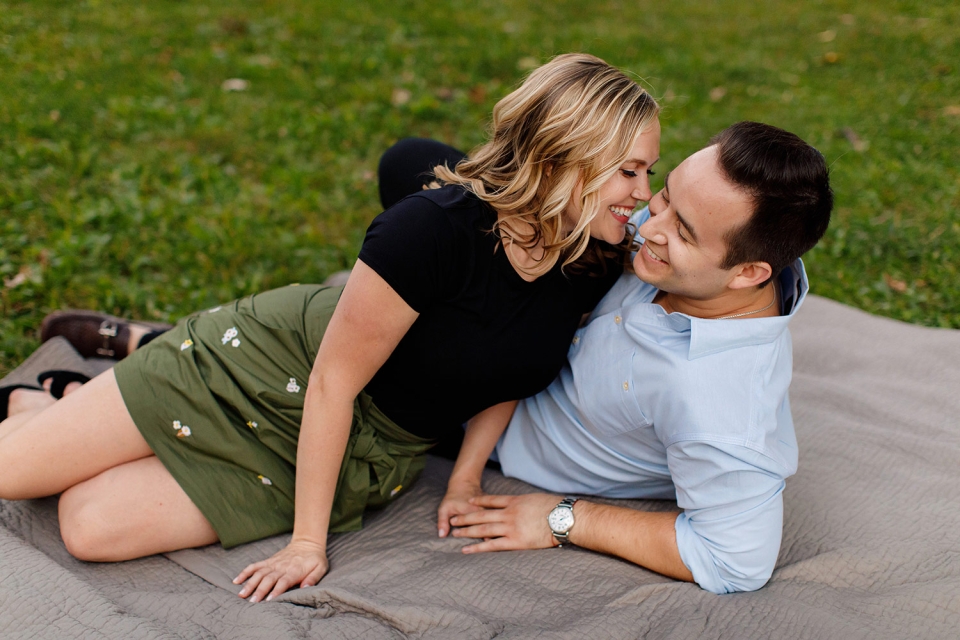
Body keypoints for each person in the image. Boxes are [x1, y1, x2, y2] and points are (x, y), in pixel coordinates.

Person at [0, 53, 661, 603]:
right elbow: (331, 383)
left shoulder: (591, 259)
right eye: (628, 171)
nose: (641, 192)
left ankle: (58, 406)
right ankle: (64, 410)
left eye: (649, 172)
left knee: (90, 527)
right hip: (274, 371)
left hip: (367, 451)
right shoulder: (427, 231)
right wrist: (306, 544)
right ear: (561, 159)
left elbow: (508, 372)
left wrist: (464, 478)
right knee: (10, 474)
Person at [435, 121, 833, 594]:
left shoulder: (723, 411)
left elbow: (734, 562)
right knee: (416, 165)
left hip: (495, 424)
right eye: (665, 196)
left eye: (682, 233)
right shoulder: (708, 252)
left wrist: (564, 518)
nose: (647, 226)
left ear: (748, 273)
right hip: (531, 333)